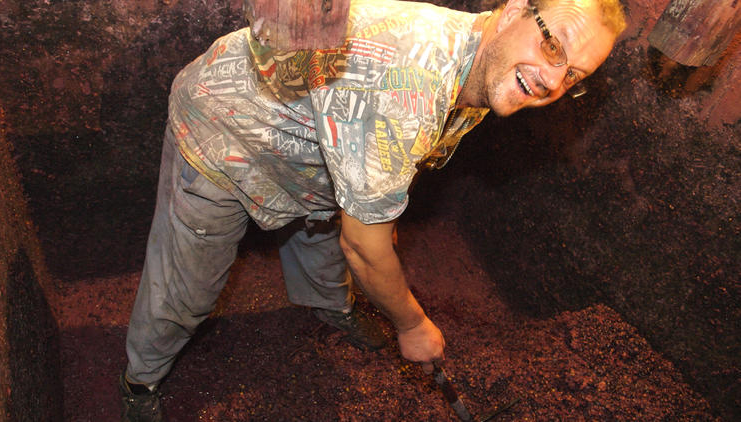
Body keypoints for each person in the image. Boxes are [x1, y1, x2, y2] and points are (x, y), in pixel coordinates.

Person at [118, 0, 626, 420]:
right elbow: (364, 243)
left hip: (315, 150)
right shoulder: (411, 81)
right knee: (187, 287)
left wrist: (373, 213)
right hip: (224, 129)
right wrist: (411, 323)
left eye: (574, 75)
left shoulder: (484, 60)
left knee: (331, 237)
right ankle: (140, 380)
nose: (552, 82)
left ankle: (329, 308)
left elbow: (375, 178)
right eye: (553, 45)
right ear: (516, 9)